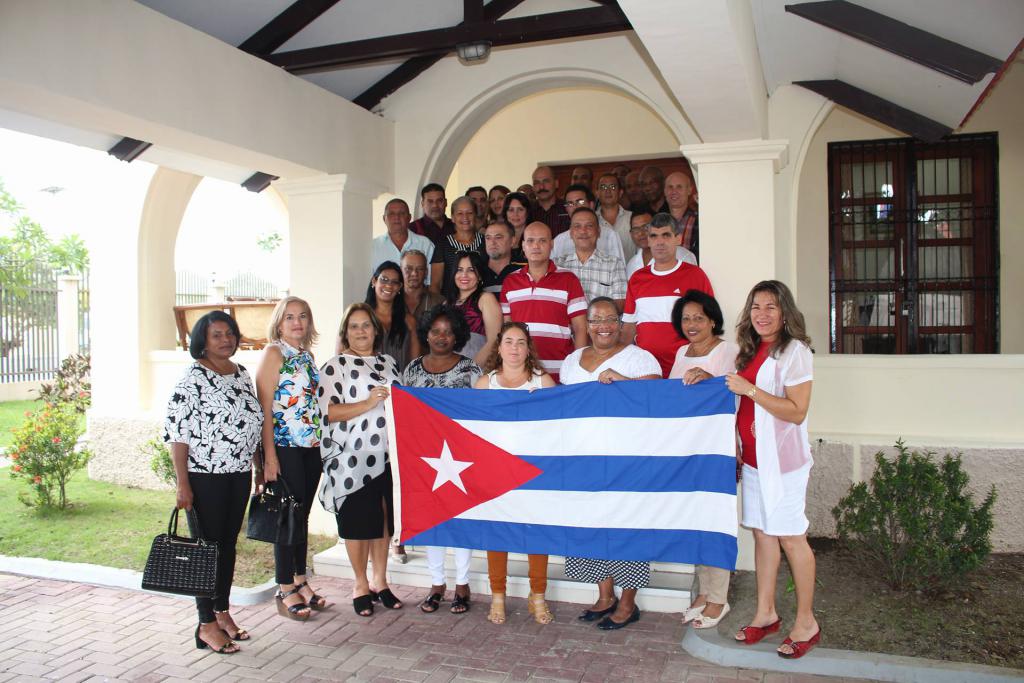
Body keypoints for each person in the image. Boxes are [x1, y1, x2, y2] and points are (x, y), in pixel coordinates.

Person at [725, 281, 820, 659]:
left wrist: (749, 390)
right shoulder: (749, 351)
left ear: (785, 313)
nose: (762, 314)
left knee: (792, 538)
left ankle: (807, 623)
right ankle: (766, 614)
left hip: (783, 465)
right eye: (756, 307)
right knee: (764, 536)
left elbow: (796, 411)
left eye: (771, 307)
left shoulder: (796, 352)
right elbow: (740, 405)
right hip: (753, 462)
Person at [164, 311, 262, 654]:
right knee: (205, 550)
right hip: (204, 477)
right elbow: (178, 435)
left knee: (227, 547)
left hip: (238, 474)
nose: (226, 340)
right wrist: (182, 484)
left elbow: (251, 423)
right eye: (217, 335)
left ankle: (222, 612)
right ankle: (205, 623)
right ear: (202, 341)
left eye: (230, 333)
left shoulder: (241, 373)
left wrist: (257, 467)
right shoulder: (192, 378)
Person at [559, 298, 660, 630]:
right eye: (596, 319)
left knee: (627, 527)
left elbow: (657, 401)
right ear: (587, 326)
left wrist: (623, 381)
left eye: (610, 319)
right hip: (583, 458)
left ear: (620, 324)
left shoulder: (639, 358)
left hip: (627, 460)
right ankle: (605, 595)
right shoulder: (571, 361)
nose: (603, 325)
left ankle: (628, 602)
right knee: (590, 524)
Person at [319, 303, 404, 617]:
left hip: (388, 456)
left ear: (375, 329)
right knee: (357, 523)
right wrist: (367, 403)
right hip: (352, 458)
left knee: (382, 520)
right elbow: (328, 412)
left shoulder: (389, 363)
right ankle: (360, 584)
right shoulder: (335, 366)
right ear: (345, 332)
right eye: (353, 326)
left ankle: (381, 581)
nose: (360, 331)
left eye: (365, 325)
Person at [473, 322, 557, 624]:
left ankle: (538, 595)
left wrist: (540, 407)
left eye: (521, 342)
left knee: (537, 533)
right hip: (495, 470)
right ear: (499, 347)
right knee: (497, 533)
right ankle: (498, 596)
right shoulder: (485, 383)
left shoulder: (543, 381)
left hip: (533, 471)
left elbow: (558, 426)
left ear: (528, 348)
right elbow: (474, 430)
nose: (514, 348)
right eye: (508, 341)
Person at [402, 304, 483, 615]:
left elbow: (481, 414)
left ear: (457, 335)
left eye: (448, 332)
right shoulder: (412, 369)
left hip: (461, 459)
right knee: (432, 522)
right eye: (435, 331)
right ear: (426, 334)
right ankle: (437, 584)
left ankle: (462, 584)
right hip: (424, 460)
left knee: (460, 521)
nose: (441, 336)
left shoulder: (471, 370)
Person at [667, 290, 739, 630]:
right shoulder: (681, 352)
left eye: (698, 317)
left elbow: (734, 394)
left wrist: (711, 382)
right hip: (687, 451)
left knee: (715, 521)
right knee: (695, 520)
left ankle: (719, 598)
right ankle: (704, 592)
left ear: (712, 320)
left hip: (716, 450)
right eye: (686, 318)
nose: (692, 324)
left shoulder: (728, 351)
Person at [255, 297, 328, 623]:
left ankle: (300, 579)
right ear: (279, 323)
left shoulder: (307, 356)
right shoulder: (274, 353)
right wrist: (268, 457)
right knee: (287, 518)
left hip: (311, 447)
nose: (297, 322)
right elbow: (264, 408)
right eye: (289, 317)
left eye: (302, 316)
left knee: (302, 516)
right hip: (285, 447)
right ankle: (284, 587)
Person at [621, 213, 714, 376]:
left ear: (678, 239)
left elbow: (709, 323)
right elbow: (629, 327)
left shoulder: (695, 275)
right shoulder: (637, 279)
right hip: (646, 370)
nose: (659, 242)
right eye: (654, 236)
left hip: (685, 368)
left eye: (666, 235)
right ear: (648, 240)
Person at [500, 222, 589, 383]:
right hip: (521, 373)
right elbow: (507, 330)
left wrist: (577, 367)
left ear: (551, 244)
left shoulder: (568, 279)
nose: (536, 246)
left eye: (542, 240)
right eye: (530, 241)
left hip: (562, 372)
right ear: (523, 246)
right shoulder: (510, 282)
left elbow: (581, 328)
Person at [554, 208, 627, 308]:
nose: (583, 231)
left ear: (598, 231)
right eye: (577, 226)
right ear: (570, 233)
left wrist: (593, 315)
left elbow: (621, 303)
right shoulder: (558, 265)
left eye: (589, 226)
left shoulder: (614, 264)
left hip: (600, 318)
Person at [445, 251, 502, 367]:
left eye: (471, 270)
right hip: (447, 370)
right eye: (459, 270)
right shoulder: (446, 304)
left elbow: (494, 341)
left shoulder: (486, 299)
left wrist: (470, 370)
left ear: (479, 275)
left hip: (477, 369)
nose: (464, 275)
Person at [361, 261, 420, 373]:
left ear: (399, 287)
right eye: (384, 279)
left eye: (395, 282)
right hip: (365, 382)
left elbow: (415, 366)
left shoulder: (409, 321)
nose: (389, 285)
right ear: (374, 281)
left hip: (400, 382)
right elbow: (342, 357)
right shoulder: (360, 318)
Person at [551, 184, 624, 262]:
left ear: (591, 205)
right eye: (570, 203)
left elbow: (619, 266)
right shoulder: (559, 240)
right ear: (566, 208)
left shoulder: (610, 236)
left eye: (580, 202)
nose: (575, 207)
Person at [430, 196, 485, 298]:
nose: (465, 217)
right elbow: (435, 285)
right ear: (453, 218)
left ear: (475, 216)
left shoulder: (485, 241)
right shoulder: (443, 244)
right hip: (450, 302)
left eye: (470, 213)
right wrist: (442, 305)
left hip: (481, 301)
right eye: (460, 213)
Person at [371, 198, 435, 277]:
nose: (397, 217)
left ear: (409, 218)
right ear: (384, 219)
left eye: (401, 213)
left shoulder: (425, 244)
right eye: (391, 214)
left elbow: (432, 279)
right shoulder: (373, 246)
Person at [625, 211, 697, 278]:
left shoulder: (682, 256)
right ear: (631, 234)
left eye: (645, 227)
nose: (641, 233)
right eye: (636, 230)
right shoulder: (631, 264)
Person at [595, 172, 635, 260]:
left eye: (612, 187)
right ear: (597, 193)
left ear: (620, 192)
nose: (608, 191)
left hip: (631, 268)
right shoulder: (591, 221)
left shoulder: (632, 218)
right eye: (603, 187)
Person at [482, 220, 525, 295]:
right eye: (488, 238)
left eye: (498, 237)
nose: (492, 242)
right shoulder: (476, 268)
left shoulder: (526, 268)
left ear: (512, 241)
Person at [665, 171, 700, 262]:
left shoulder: (699, 220)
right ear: (664, 191)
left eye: (679, 187)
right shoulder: (659, 221)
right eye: (670, 187)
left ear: (689, 190)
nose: (674, 191)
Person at [401, 250, 444, 321]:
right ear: (400, 271)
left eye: (420, 269)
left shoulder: (440, 302)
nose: (414, 273)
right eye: (408, 268)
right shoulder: (392, 299)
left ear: (426, 272)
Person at [532, 165, 570, 237]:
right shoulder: (528, 211)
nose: (541, 187)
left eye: (546, 181)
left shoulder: (568, 208)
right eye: (537, 183)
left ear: (556, 183)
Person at [500, 191, 533, 260]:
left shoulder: (534, 237)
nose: (515, 214)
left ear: (527, 212)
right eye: (511, 210)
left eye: (520, 209)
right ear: (505, 213)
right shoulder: (498, 237)